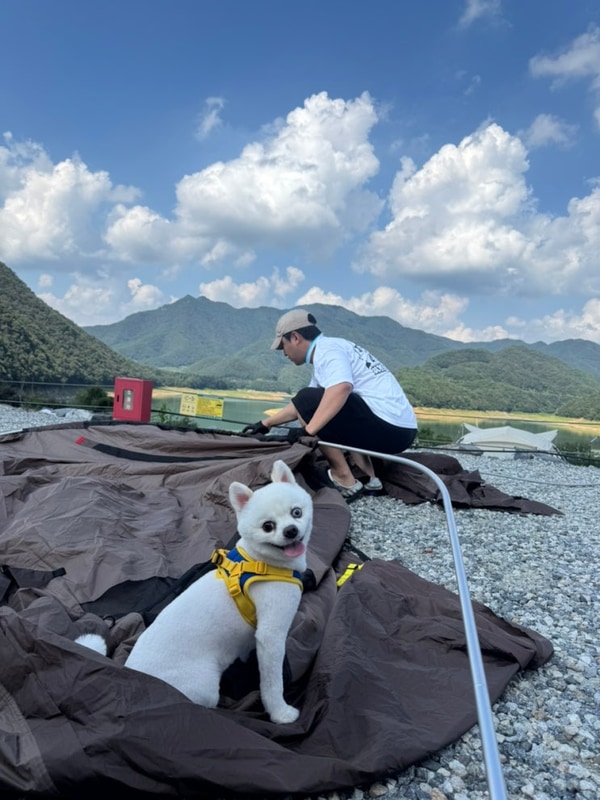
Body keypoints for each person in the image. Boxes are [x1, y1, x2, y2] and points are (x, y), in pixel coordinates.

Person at [243, 309, 418, 501]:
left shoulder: (328, 350)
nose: (284, 353)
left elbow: (340, 388)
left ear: (295, 338)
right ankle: (371, 478)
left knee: (314, 401)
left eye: (282, 346)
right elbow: (301, 406)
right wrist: (266, 423)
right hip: (400, 430)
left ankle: (344, 479)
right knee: (316, 402)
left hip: (390, 429)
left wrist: (308, 431)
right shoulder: (330, 350)